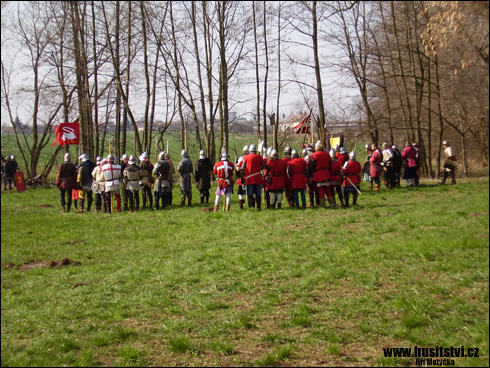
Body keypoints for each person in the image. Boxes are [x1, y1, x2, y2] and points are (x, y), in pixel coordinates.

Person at [308, 140, 337, 208]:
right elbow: (330, 165)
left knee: (320, 188)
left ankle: (322, 203)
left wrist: (311, 174)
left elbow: (312, 166)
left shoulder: (315, 155)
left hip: (319, 174)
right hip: (326, 173)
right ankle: (332, 203)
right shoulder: (327, 154)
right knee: (327, 188)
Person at [241, 143, 266, 210]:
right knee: (258, 193)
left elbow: (242, 168)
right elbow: (264, 167)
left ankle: (251, 207)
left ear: (249, 150)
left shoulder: (245, 157)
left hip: (249, 178)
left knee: (250, 193)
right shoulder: (260, 157)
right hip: (257, 177)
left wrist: (242, 177)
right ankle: (258, 206)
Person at [236, 145, 249, 209]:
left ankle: (241, 206)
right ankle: (250, 204)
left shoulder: (241, 159)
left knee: (241, 193)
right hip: (248, 177)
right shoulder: (251, 158)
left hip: (243, 177)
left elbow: (238, 169)